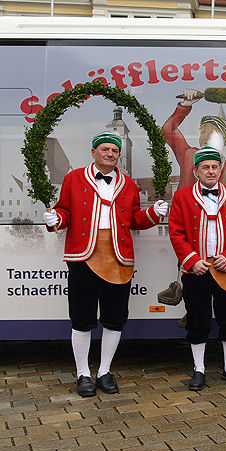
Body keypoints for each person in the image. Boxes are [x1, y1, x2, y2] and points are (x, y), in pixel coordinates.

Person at [43, 131, 167, 397]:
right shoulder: (73, 179)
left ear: (119, 156)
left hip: (119, 258)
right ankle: (83, 374)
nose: (110, 154)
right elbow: (64, 211)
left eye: (114, 151)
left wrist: (153, 214)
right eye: (105, 150)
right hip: (83, 256)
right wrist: (56, 219)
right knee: (82, 319)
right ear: (94, 152)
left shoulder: (129, 185)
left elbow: (135, 219)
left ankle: (104, 371)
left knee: (114, 319)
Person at [168, 141, 226, 391]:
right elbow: (176, 233)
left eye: (215, 166)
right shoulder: (182, 196)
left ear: (221, 168)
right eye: (205, 167)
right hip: (197, 270)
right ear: (196, 171)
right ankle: (199, 368)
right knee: (197, 319)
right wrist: (192, 260)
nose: (211, 171)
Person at [162, 88, 226, 191]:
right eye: (203, 132)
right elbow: (168, 131)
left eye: (211, 133)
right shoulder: (189, 156)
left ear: (223, 139)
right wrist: (185, 105)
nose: (205, 136)